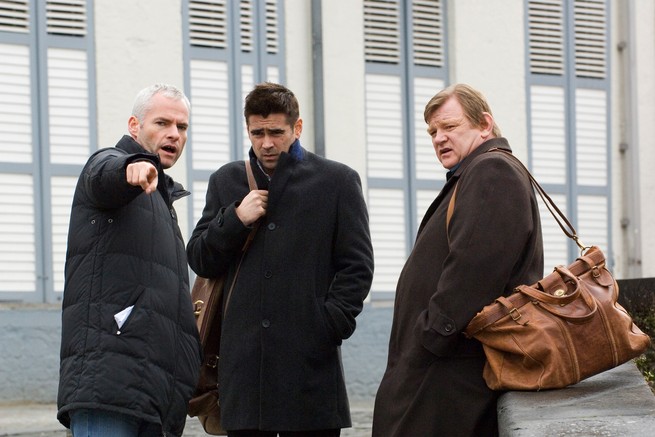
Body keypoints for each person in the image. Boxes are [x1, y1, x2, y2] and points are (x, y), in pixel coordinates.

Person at [186, 82, 374, 436]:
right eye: (258, 133)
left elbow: (357, 267)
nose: (267, 143)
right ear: (248, 130)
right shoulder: (227, 181)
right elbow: (200, 259)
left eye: (276, 132)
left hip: (309, 371)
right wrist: (236, 218)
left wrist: (328, 324)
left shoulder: (337, 181)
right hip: (243, 373)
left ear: (297, 128)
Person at [372, 83, 544, 436]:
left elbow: (472, 274)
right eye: (433, 131)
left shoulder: (492, 171)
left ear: (484, 124)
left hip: (448, 374)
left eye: (450, 127)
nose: (439, 138)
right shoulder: (477, 172)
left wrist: (428, 340)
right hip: (442, 369)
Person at [57, 84, 202, 436]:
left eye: (181, 127)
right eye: (162, 123)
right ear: (134, 126)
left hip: (155, 397)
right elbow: (104, 175)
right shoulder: (112, 165)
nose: (173, 134)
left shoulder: (163, 203)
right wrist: (131, 167)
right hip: (107, 389)